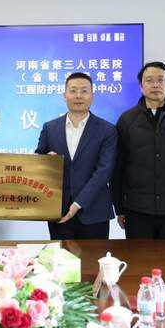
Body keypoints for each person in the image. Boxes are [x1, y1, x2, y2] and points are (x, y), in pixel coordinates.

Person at [111, 61, 165, 242]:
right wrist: (119, 208)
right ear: (141, 86)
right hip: (137, 210)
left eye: (160, 80)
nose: (155, 85)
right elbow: (118, 168)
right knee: (139, 257)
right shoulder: (126, 120)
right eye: (149, 80)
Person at [35, 72, 117, 239]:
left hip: (94, 212)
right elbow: (38, 160)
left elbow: (104, 171)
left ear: (92, 96)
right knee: (60, 256)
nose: (78, 96)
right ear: (64, 95)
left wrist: (77, 204)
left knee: (95, 256)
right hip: (59, 211)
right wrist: (46, 160)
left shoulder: (107, 130)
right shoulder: (50, 128)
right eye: (73, 90)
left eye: (84, 91)